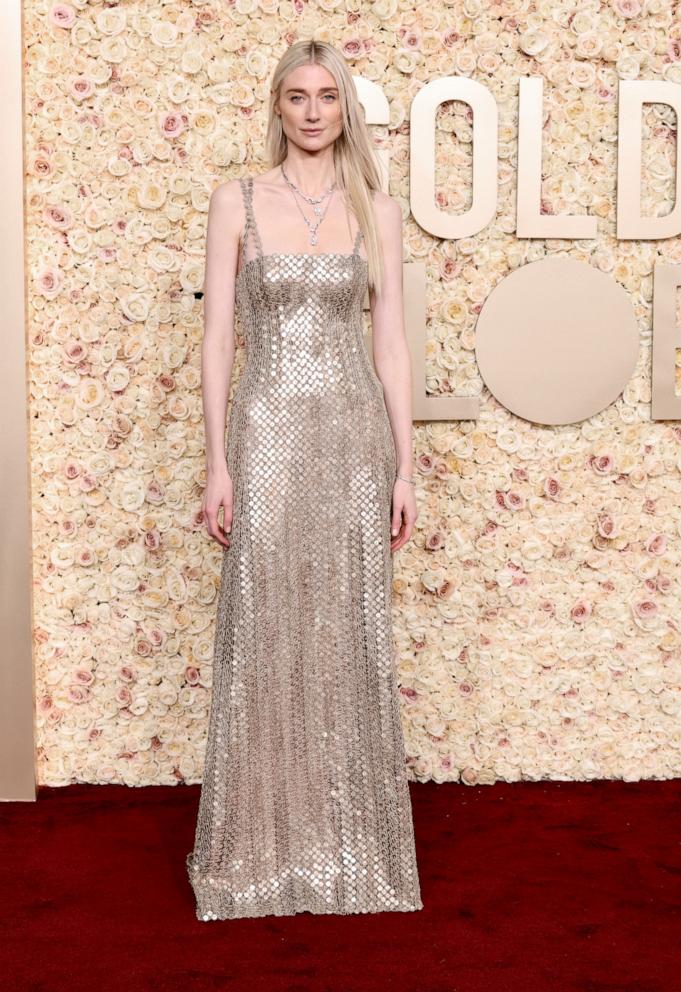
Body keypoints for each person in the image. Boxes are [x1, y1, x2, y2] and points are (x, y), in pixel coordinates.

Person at [185, 37, 423, 921]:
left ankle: (348, 847)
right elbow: (217, 341)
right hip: (267, 435)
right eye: (297, 95)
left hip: (354, 439)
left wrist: (404, 464)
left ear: (345, 107)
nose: (314, 110)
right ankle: (260, 850)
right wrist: (217, 460)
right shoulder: (235, 201)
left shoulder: (379, 211)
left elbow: (389, 345)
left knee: (346, 626)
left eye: (328, 95)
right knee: (263, 630)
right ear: (276, 106)